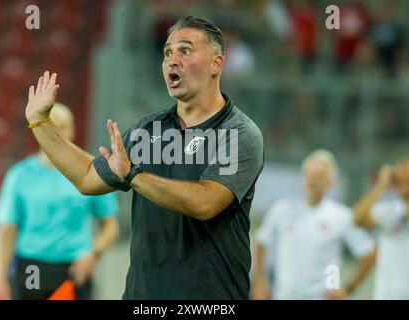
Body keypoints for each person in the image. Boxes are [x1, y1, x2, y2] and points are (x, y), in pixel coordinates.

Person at [23, 16, 264, 299]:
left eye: (185, 50)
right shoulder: (147, 131)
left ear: (216, 63)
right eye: (167, 52)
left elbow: (205, 202)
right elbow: (88, 177)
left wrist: (133, 175)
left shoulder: (238, 133)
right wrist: (40, 123)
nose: (172, 60)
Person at [0, 103, 119, 300]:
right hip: (32, 266)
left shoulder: (93, 171)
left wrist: (93, 254)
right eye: (50, 125)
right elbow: (7, 231)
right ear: (38, 130)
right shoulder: (20, 175)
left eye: (63, 125)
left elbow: (110, 227)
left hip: (75, 267)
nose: (57, 132)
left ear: (74, 129)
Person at [251, 150, 376, 300]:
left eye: (320, 176)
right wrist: (260, 282)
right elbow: (260, 242)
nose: (314, 180)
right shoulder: (282, 209)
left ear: (330, 182)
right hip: (284, 295)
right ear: (303, 177)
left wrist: (346, 289)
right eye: (310, 174)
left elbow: (369, 253)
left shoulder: (340, 215)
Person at [353, 159, 409, 299]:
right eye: (400, 178)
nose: (402, 181)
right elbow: (357, 218)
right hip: (387, 294)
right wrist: (380, 186)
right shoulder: (390, 210)